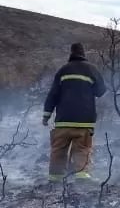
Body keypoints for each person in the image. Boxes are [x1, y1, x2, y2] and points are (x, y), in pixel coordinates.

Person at [42, 42, 106, 181]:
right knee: (82, 150)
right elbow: (101, 91)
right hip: (84, 122)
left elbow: (53, 94)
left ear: (71, 53)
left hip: (63, 121)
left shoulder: (63, 70)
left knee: (58, 151)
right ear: (84, 54)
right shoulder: (91, 69)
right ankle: (82, 179)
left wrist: (46, 116)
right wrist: (88, 90)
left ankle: (54, 180)